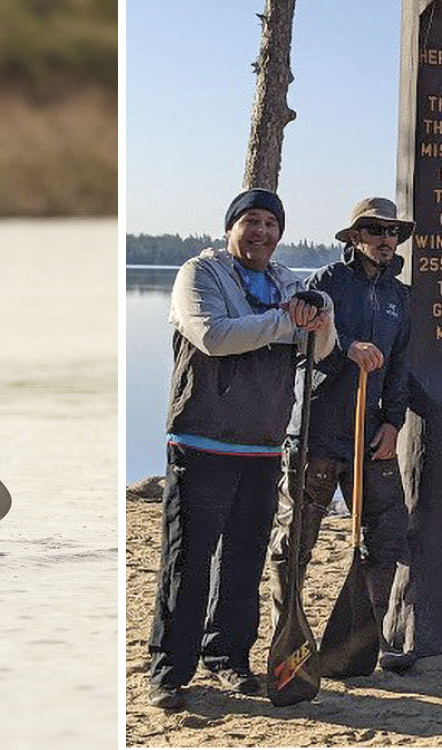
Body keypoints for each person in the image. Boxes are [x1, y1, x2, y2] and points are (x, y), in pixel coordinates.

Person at [146, 188, 334, 710]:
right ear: (231, 227)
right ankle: (169, 671)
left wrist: (324, 314)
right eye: (251, 221)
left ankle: (227, 659)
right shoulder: (199, 275)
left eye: (271, 224)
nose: (262, 232)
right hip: (201, 440)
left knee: (244, 562)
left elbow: (321, 349)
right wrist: (287, 322)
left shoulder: (288, 282)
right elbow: (214, 336)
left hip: (262, 445)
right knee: (188, 560)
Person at [266, 196, 411, 675]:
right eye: (375, 231)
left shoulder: (399, 297)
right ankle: (287, 635)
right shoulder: (325, 283)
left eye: (392, 232)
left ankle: (368, 638)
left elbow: (401, 367)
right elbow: (307, 345)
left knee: (387, 534)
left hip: (371, 439)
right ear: (355, 238)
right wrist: (347, 346)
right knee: (296, 541)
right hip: (317, 433)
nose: (386, 240)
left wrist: (394, 423)